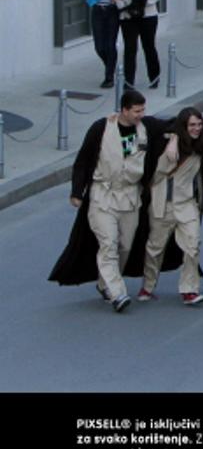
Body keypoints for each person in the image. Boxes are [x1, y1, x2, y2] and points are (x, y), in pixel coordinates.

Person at [64, 90, 166, 312]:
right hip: (103, 195)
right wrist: (76, 192)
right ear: (124, 110)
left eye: (143, 110)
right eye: (137, 111)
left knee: (125, 246)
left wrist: (181, 136)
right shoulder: (101, 128)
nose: (141, 114)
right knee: (108, 243)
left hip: (130, 197)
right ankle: (118, 293)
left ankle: (105, 283)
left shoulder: (146, 128)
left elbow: (178, 123)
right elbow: (82, 160)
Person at [136, 107, 203, 305]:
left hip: (186, 204)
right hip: (162, 205)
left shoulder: (201, 144)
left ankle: (189, 290)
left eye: (199, 124)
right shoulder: (165, 142)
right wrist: (174, 137)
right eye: (192, 125)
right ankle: (148, 286)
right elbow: (151, 121)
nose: (197, 128)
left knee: (192, 246)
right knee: (154, 248)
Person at [113, 0, 166, 90]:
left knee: (149, 46)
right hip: (128, 17)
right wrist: (122, 5)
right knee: (130, 49)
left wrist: (145, 0)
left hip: (147, 15)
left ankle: (154, 77)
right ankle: (128, 81)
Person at [88, 0, 123, 88]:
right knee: (99, 47)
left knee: (110, 45)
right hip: (98, 10)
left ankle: (109, 78)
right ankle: (111, 67)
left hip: (112, 12)